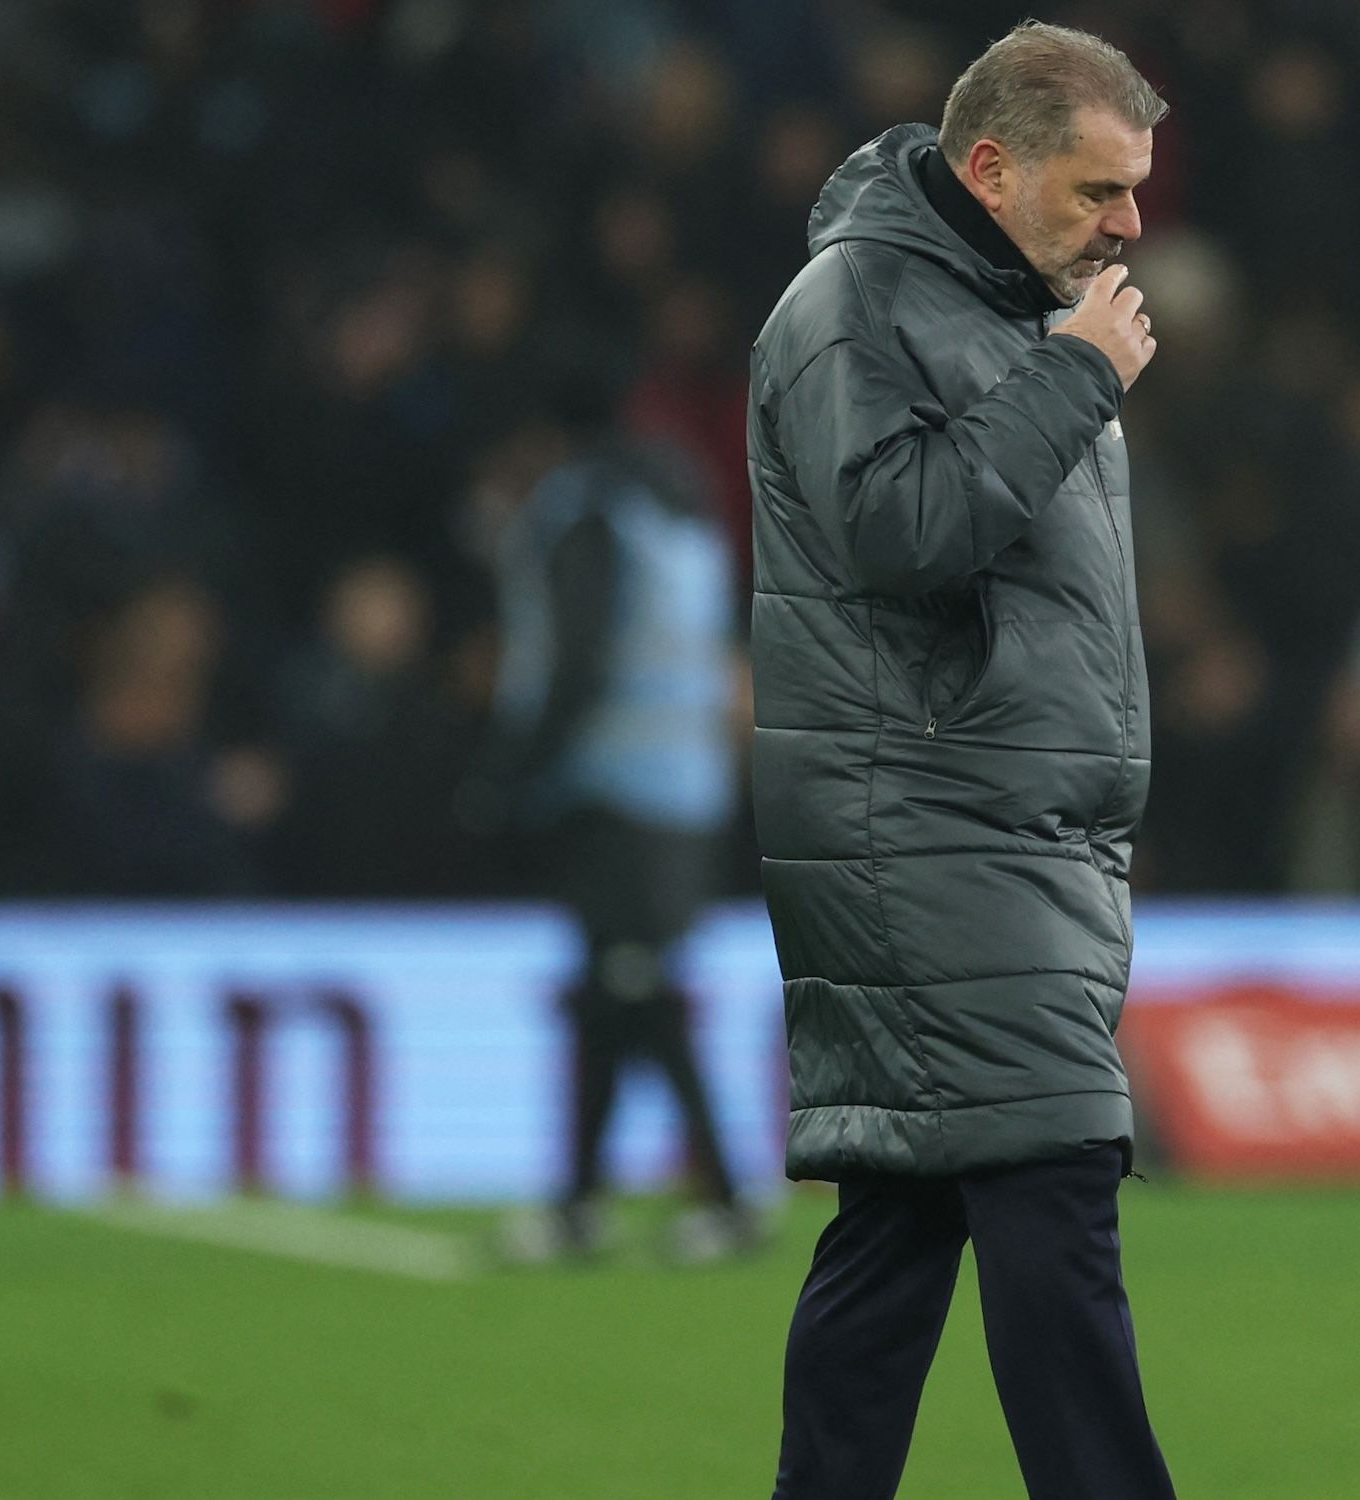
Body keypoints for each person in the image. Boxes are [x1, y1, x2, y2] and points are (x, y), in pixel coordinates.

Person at [746, 22, 1173, 1500]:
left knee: (903, 1227)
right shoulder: (857, 304)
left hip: (1007, 830)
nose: (1128, 225)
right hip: (931, 830)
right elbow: (902, 532)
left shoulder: (1008, 312)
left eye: (1133, 191)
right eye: (1097, 191)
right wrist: (1071, 383)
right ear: (990, 168)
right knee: (1054, 1192)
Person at [486, 378, 752, 1266]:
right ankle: (578, 1204)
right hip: (689, 781)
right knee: (612, 991)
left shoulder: (584, 511)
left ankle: (723, 1196)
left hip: (611, 786)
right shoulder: (682, 509)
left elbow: (578, 659)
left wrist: (508, 776)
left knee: (636, 990)